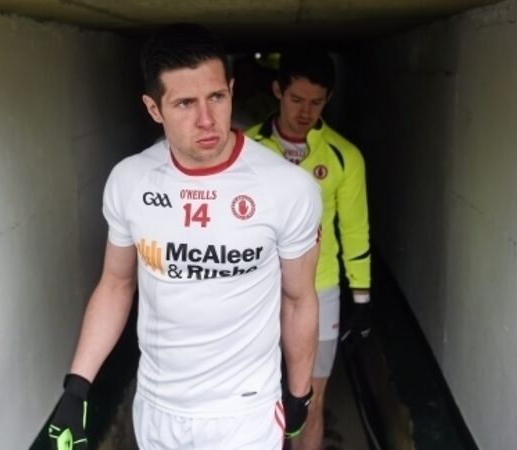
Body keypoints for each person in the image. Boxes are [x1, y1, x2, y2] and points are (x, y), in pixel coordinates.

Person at [47, 24, 323, 450]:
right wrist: (76, 388)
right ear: (153, 108)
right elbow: (116, 284)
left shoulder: (287, 187)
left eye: (217, 97)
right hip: (159, 408)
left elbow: (299, 298)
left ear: (232, 90)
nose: (206, 120)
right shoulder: (130, 180)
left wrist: (300, 392)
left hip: (245, 413)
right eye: (184, 103)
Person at [246, 51, 372, 450]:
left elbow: (354, 229)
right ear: (277, 90)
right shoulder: (246, 148)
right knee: (257, 399)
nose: (305, 112)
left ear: (329, 98)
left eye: (316, 102)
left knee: (310, 403)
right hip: (257, 290)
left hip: (320, 290)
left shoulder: (344, 156)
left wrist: (362, 298)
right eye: (296, 99)